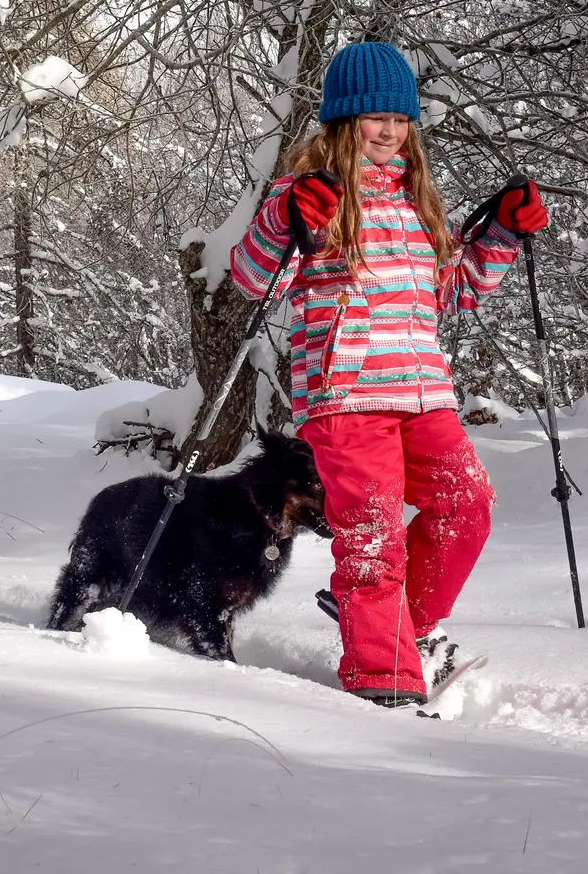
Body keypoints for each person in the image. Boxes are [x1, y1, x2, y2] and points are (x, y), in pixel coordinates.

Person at [229, 42, 549, 707]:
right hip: (345, 395)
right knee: (372, 535)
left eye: (400, 119)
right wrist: (285, 220)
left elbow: (454, 291)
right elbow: (251, 275)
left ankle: (407, 630)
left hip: (423, 391)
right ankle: (384, 683)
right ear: (345, 119)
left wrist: (501, 234)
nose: (389, 131)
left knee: (468, 503)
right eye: (375, 117)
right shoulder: (308, 194)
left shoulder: (414, 203)